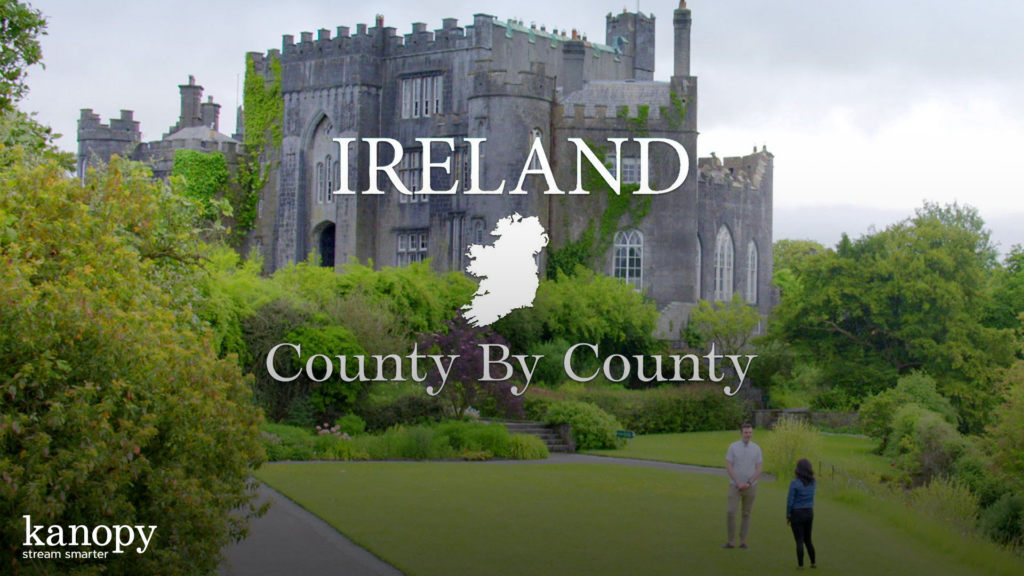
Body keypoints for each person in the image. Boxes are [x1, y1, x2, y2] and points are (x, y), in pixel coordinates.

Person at [722, 423, 763, 550]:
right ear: (741, 433)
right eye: (746, 432)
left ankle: (743, 541)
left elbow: (759, 468)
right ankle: (730, 541)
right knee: (731, 512)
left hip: (750, 486)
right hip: (735, 485)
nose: (748, 435)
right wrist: (738, 482)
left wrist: (749, 483)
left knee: (746, 513)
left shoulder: (756, 448)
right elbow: (729, 466)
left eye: (750, 432)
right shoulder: (733, 447)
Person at [786, 458, 817, 569]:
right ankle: (813, 562)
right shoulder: (814, 482)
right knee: (808, 539)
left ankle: (801, 565)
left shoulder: (794, 483)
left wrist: (788, 515)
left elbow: (790, 501)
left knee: (799, 540)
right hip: (809, 511)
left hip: (797, 513)